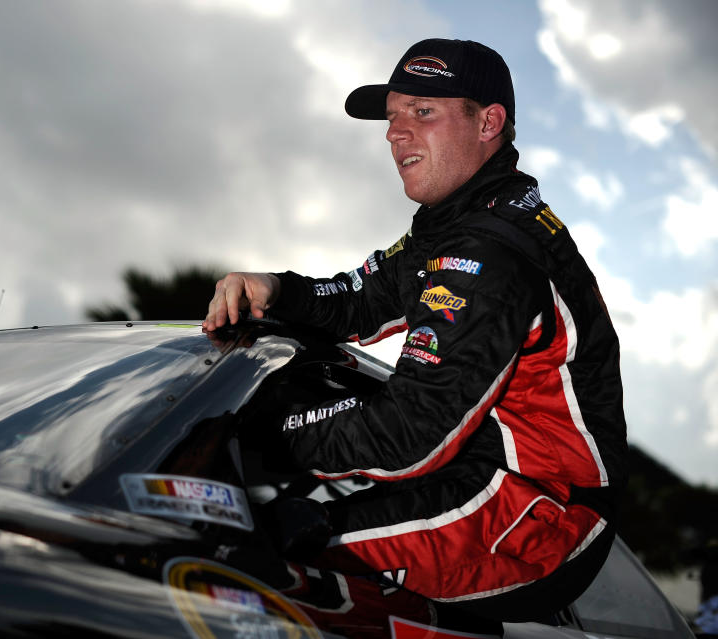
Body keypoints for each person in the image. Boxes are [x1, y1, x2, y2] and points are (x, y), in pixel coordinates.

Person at [203, 38, 627, 622]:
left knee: (250, 554)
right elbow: (362, 298)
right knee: (279, 514)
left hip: (541, 515)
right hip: (484, 477)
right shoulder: (458, 220)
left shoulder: (487, 249)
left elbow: (411, 429)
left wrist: (244, 432)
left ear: (489, 123)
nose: (394, 133)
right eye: (393, 115)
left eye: (422, 112)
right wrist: (275, 287)